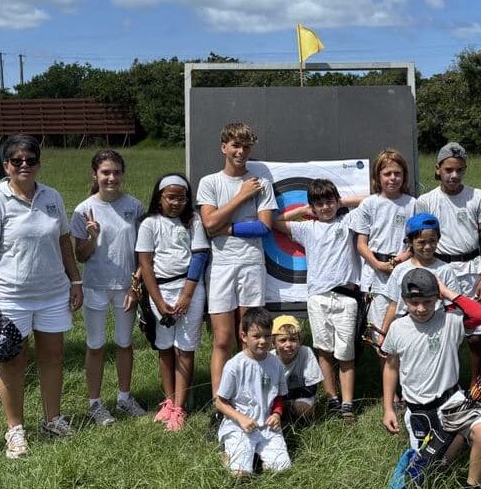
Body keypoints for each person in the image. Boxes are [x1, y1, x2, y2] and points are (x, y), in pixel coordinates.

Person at [0, 134, 83, 458]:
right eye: (16, 161)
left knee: (53, 358)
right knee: (13, 362)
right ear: (6, 165)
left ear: (38, 163)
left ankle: (53, 419)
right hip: (11, 297)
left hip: (52, 294)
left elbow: (64, 241)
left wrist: (75, 282)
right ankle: (15, 429)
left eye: (30, 160)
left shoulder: (53, 197)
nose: (24, 165)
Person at [380, 268, 481, 489]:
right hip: (418, 409)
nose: (421, 308)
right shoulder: (398, 328)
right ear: (404, 300)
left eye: (428, 301)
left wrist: (447, 292)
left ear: (437, 299)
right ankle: (446, 457)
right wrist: (388, 408)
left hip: (453, 402)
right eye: (414, 302)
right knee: (424, 473)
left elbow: (480, 314)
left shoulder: (451, 321)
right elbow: (391, 368)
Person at [196, 122, 277, 404]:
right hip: (221, 266)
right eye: (235, 145)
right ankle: (221, 403)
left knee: (252, 337)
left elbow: (264, 227)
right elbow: (208, 223)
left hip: (252, 264)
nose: (241, 151)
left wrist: (228, 228)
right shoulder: (210, 182)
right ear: (224, 147)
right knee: (222, 340)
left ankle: (251, 399)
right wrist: (241, 197)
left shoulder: (261, 183)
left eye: (246, 146)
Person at [273, 178, 362, 422]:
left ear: (337, 202)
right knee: (324, 350)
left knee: (346, 353)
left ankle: (347, 403)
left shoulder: (348, 222)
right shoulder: (307, 228)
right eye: (319, 204)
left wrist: (341, 202)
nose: (325, 208)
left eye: (329, 202)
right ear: (313, 207)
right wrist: (303, 210)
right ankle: (332, 398)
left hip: (346, 297)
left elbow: (370, 201)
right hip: (318, 297)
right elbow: (274, 222)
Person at [70, 150, 146, 427]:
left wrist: (136, 284)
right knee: (96, 345)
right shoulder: (83, 209)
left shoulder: (135, 207)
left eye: (116, 172)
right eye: (105, 172)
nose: (111, 177)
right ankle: (95, 404)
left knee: (125, 343)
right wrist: (92, 236)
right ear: (95, 175)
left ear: (122, 174)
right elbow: (81, 255)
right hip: (95, 287)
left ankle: (124, 398)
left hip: (127, 287)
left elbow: (144, 251)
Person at [136, 173, 209, 432]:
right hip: (161, 291)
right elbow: (146, 264)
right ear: (159, 198)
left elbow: (199, 257)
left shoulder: (193, 221)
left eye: (181, 197)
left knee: (185, 348)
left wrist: (187, 295)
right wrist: (157, 299)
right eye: (170, 197)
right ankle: (168, 400)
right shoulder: (149, 224)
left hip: (189, 289)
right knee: (165, 347)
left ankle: (180, 406)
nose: (176, 202)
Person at [416, 142, 481, 381]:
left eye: (460, 170)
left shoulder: (477, 196)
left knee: (475, 333)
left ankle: (476, 383)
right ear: (438, 168)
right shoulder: (426, 201)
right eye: (449, 169)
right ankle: (444, 381)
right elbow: (420, 240)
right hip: (439, 267)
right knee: (442, 329)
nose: (454, 175)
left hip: (471, 267)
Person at [349, 148, 415, 347]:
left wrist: (399, 260)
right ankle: (385, 371)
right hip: (376, 273)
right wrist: (378, 264)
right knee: (379, 333)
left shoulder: (413, 203)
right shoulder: (369, 204)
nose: (393, 178)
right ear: (378, 177)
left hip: (404, 267)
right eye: (387, 174)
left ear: (404, 176)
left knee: (404, 326)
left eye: (397, 173)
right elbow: (361, 244)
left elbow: (416, 241)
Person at [216, 307, 291, 477]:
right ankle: (231, 454)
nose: (262, 341)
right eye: (256, 336)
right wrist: (240, 418)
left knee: (281, 471)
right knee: (240, 475)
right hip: (240, 425)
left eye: (267, 335)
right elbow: (220, 402)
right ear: (244, 336)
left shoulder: (276, 364)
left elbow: (278, 395)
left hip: (267, 426)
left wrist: (277, 414)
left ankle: (256, 456)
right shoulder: (234, 365)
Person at [377, 213, 462, 341]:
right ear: (410, 242)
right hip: (405, 329)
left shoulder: (445, 270)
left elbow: (452, 306)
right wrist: (383, 334)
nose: (427, 247)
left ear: (438, 239)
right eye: (421, 242)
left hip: (435, 330)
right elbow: (394, 304)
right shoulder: (400, 270)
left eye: (432, 241)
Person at [269, 315, 323, 423]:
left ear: (300, 340)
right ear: (273, 343)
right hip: (276, 398)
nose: (288, 344)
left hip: (300, 397)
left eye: (293, 340)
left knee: (304, 409)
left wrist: (285, 397)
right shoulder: (269, 358)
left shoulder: (305, 353)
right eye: (283, 340)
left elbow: (311, 388)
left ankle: (292, 414)